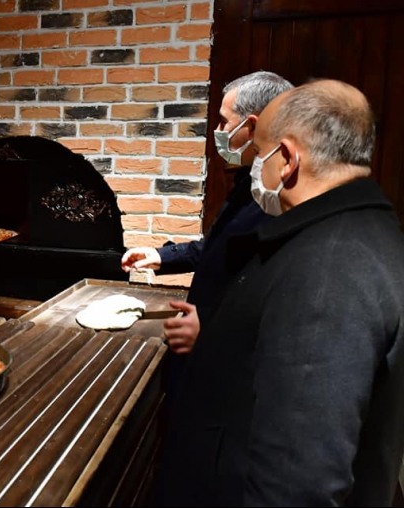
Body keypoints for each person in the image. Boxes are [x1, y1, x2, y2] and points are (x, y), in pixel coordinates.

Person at [158, 79, 404, 506]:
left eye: (261, 154)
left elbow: (296, 481)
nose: (256, 167)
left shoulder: (330, 271)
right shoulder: (354, 231)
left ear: (287, 159)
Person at [121, 71, 293, 394]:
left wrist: (213, 329)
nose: (217, 131)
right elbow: (221, 247)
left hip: (228, 380)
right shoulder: (249, 183)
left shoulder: (278, 200)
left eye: (224, 122)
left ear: (252, 127)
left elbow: (277, 300)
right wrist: (160, 256)